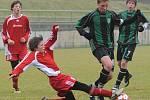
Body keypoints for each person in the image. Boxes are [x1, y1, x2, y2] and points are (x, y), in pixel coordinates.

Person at [9, 25, 123, 100]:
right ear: (35, 48)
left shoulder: (46, 49)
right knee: (86, 88)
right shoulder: (33, 55)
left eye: (43, 44)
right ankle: (113, 95)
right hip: (58, 80)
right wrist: (15, 72)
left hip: (59, 78)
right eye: (41, 45)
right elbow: (23, 64)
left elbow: (52, 39)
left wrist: (55, 30)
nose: (44, 46)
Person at [75, 0, 141, 100]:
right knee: (109, 65)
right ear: (98, 4)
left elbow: (122, 22)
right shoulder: (92, 15)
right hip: (97, 45)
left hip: (109, 46)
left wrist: (134, 18)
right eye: (102, 6)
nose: (104, 8)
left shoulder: (111, 15)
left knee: (109, 76)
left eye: (106, 6)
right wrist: (86, 34)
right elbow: (79, 25)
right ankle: (99, 90)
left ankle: (93, 87)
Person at [112, 0, 149, 91]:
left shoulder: (138, 14)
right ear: (126, 4)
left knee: (124, 63)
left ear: (135, 5)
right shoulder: (121, 14)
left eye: (132, 3)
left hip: (132, 41)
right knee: (120, 64)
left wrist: (142, 27)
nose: (130, 5)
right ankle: (127, 74)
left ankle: (116, 85)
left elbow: (146, 22)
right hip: (121, 41)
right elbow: (116, 22)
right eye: (129, 3)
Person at [1, 0, 30, 93]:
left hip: (22, 48)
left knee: (23, 64)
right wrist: (8, 40)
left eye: (19, 6)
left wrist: (25, 38)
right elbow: (3, 32)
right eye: (16, 6)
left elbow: (29, 31)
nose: (18, 8)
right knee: (14, 67)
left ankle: (14, 74)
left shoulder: (25, 18)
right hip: (11, 48)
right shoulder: (8, 19)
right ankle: (16, 87)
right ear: (12, 8)